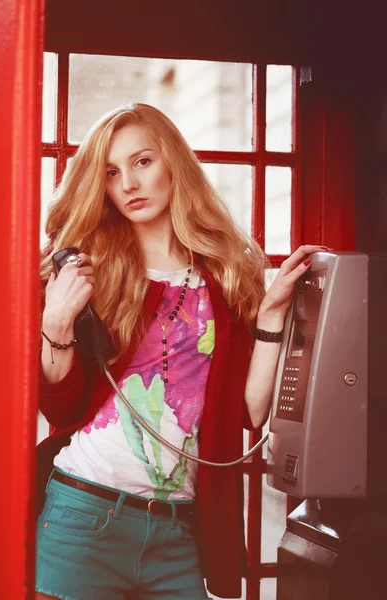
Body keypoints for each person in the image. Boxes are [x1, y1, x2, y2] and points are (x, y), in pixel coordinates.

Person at [36, 102, 327, 600]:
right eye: (112, 172)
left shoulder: (223, 277)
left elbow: (248, 413)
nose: (128, 183)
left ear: (173, 163)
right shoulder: (92, 272)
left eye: (142, 162)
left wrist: (273, 315)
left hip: (177, 533)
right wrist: (57, 322)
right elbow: (60, 407)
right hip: (84, 517)